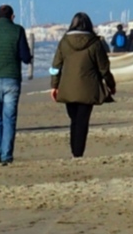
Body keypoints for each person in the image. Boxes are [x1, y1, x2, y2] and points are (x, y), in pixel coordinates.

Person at [49, 12, 116, 158]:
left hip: (67, 88)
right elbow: (104, 68)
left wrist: (54, 85)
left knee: (74, 119)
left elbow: (56, 66)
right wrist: (111, 84)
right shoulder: (95, 43)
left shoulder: (64, 42)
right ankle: (77, 152)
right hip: (88, 88)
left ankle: (75, 149)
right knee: (82, 121)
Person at [0, 4, 33, 165]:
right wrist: (28, 58)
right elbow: (25, 57)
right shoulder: (18, 30)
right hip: (11, 79)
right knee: (9, 118)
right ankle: (6, 155)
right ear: (12, 16)